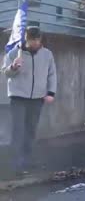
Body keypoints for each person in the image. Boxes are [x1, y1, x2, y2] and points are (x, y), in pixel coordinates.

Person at [2, 27, 57, 174]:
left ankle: (28, 160)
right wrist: (13, 66)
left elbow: (52, 74)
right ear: (26, 38)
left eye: (37, 39)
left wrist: (51, 92)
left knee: (31, 130)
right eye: (32, 39)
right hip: (18, 97)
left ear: (40, 39)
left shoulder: (47, 54)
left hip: (37, 98)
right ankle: (15, 164)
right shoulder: (14, 52)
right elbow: (6, 73)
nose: (34, 42)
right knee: (18, 130)